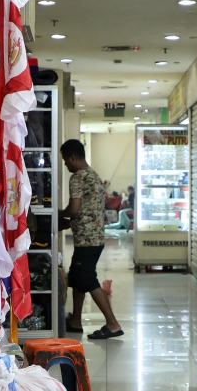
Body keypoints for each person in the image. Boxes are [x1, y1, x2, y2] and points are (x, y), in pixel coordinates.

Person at [59, 139, 124, 340]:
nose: (65, 165)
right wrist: (70, 223)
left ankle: (112, 324)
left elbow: (75, 209)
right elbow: (88, 211)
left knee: (87, 279)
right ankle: (75, 321)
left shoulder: (77, 178)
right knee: (78, 279)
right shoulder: (94, 176)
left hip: (86, 241)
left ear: (72, 157)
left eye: (65, 161)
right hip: (94, 238)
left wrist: (60, 214)